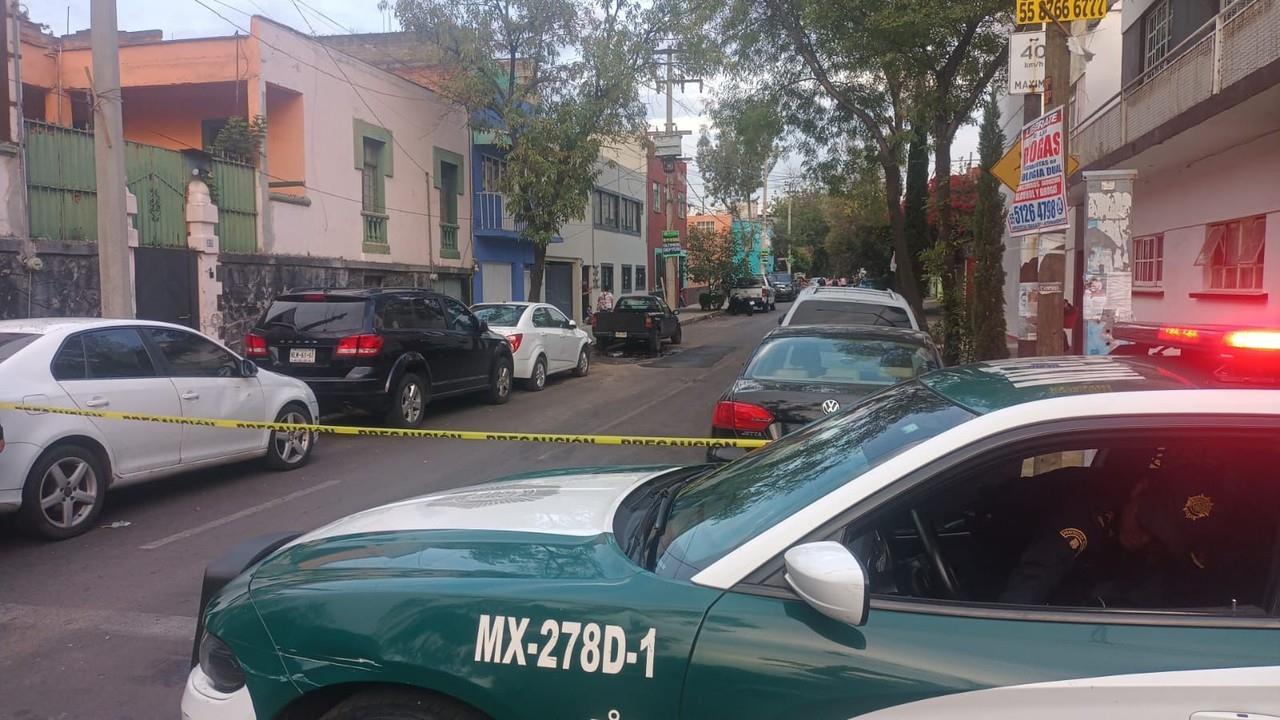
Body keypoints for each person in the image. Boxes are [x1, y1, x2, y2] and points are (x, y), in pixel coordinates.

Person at [998, 452, 1240, 609]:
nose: (1143, 539)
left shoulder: (1181, 550)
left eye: (1159, 539)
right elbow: (1035, 576)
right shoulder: (1088, 511)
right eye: (1146, 524)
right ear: (1139, 489)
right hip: (995, 542)